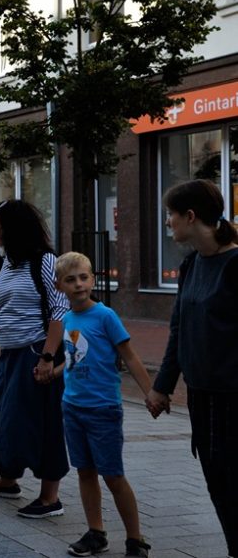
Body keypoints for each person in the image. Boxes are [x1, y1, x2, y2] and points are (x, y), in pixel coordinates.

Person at [147, 179, 238, 557]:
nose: (167, 222)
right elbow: (178, 330)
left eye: (171, 214)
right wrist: (161, 386)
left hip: (233, 400)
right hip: (202, 399)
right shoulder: (191, 264)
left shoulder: (235, 265)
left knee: (233, 485)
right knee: (218, 484)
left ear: (190, 216)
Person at [0, 199, 69, 517]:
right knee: (6, 419)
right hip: (11, 354)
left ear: (15, 228)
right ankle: (7, 481)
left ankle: (50, 498)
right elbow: (2, 306)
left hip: (38, 352)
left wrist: (48, 357)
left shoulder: (46, 261)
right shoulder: (8, 263)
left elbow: (59, 310)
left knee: (43, 423)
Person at [55, 252, 153, 558]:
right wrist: (52, 371)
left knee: (112, 474)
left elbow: (130, 356)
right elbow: (74, 358)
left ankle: (135, 539)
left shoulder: (105, 316)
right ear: (60, 286)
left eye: (83, 277)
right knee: (85, 472)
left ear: (93, 280)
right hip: (72, 407)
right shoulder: (66, 319)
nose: (79, 284)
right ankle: (96, 533)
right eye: (70, 280)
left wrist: (151, 393)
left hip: (103, 410)